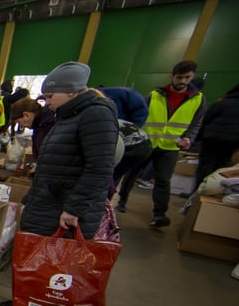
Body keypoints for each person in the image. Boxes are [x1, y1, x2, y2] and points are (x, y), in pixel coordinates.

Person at [19, 61, 118, 306]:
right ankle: (35, 302)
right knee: (43, 259)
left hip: (67, 205)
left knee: (64, 266)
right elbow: (56, 162)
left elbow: (99, 167)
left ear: (71, 92)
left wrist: (74, 208)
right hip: (50, 198)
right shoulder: (69, 115)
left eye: (50, 97)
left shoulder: (95, 115)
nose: (47, 103)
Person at [139, 60, 207, 227]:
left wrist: (189, 138)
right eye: (179, 77)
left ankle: (159, 215)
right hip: (148, 142)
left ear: (192, 77)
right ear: (172, 76)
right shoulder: (155, 95)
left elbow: (197, 123)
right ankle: (122, 201)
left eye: (187, 77)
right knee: (132, 173)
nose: (183, 81)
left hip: (170, 146)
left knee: (163, 180)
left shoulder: (198, 99)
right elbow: (141, 115)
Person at [98, 86, 150, 212]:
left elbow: (141, 112)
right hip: (122, 138)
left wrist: (125, 130)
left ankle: (104, 211)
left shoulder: (124, 94)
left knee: (107, 178)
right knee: (106, 177)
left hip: (135, 145)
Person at [194, 83, 239, 189]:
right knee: (222, 167)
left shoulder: (222, 103)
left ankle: (197, 193)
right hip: (231, 142)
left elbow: (206, 119)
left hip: (211, 140)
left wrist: (198, 138)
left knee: (205, 166)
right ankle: (213, 190)